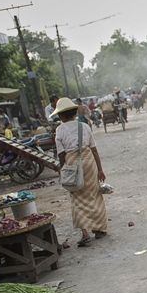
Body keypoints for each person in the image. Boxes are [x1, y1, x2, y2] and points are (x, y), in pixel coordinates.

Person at [53, 97, 107, 247]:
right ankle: (99, 229)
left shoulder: (59, 130)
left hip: (72, 163)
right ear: (74, 112)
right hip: (89, 162)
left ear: (60, 115)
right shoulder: (84, 126)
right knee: (94, 194)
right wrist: (100, 170)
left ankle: (85, 234)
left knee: (77, 197)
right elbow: (94, 149)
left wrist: (63, 171)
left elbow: (61, 154)